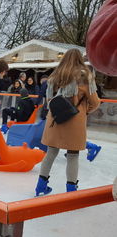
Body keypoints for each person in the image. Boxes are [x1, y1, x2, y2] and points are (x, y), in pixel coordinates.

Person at [35, 49, 101, 196]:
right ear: (80, 59)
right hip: (74, 122)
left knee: (51, 152)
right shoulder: (85, 76)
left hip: (55, 119)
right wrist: (84, 111)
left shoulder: (54, 76)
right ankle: (71, 191)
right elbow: (95, 102)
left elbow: (48, 101)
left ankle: (40, 187)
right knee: (73, 155)